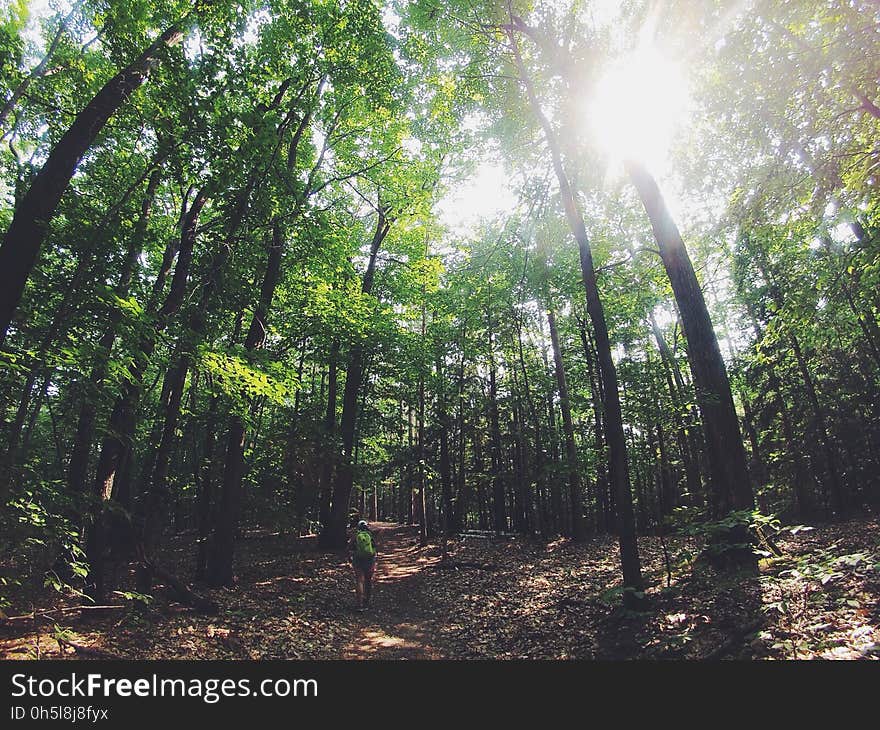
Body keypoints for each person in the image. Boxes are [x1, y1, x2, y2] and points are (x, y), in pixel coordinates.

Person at [348, 519, 378, 610]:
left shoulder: (356, 535)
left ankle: (359, 604)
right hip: (370, 559)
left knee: (359, 581)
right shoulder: (370, 535)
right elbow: (375, 548)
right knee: (368, 580)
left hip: (358, 559)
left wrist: (349, 557)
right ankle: (367, 602)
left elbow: (349, 548)